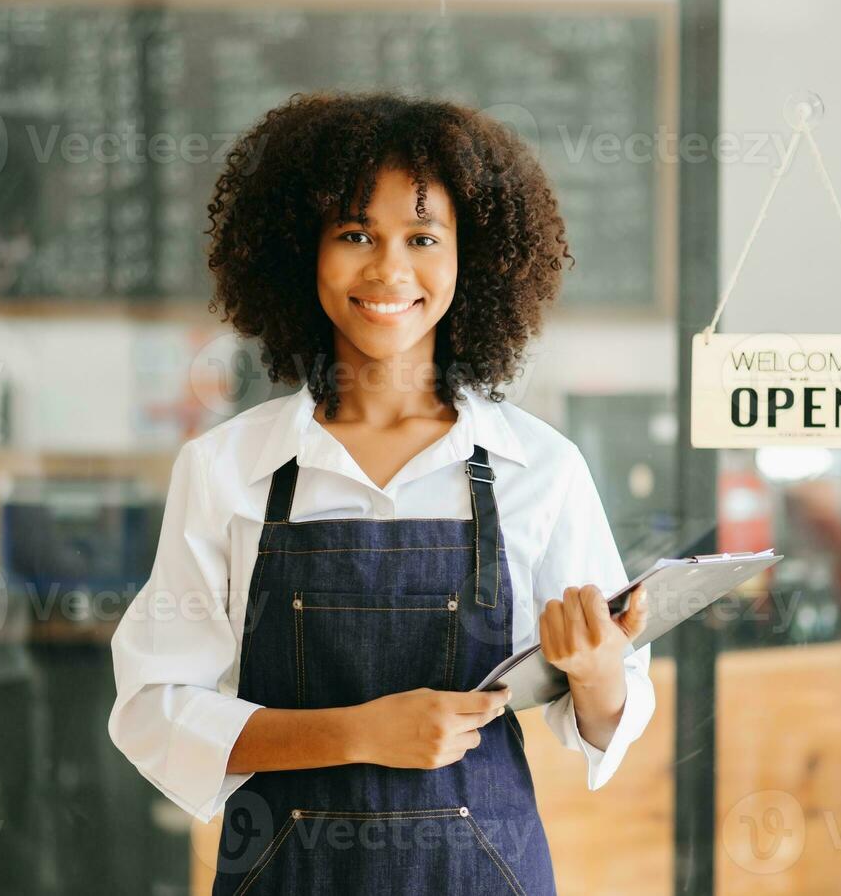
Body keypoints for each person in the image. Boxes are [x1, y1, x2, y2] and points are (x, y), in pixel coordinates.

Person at [107, 91, 654, 894]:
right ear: (303, 252)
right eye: (355, 234)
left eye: (423, 238)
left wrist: (599, 668)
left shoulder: (540, 468)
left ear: (476, 257)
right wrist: (358, 733)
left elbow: (609, 720)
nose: (389, 269)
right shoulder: (226, 470)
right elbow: (155, 711)